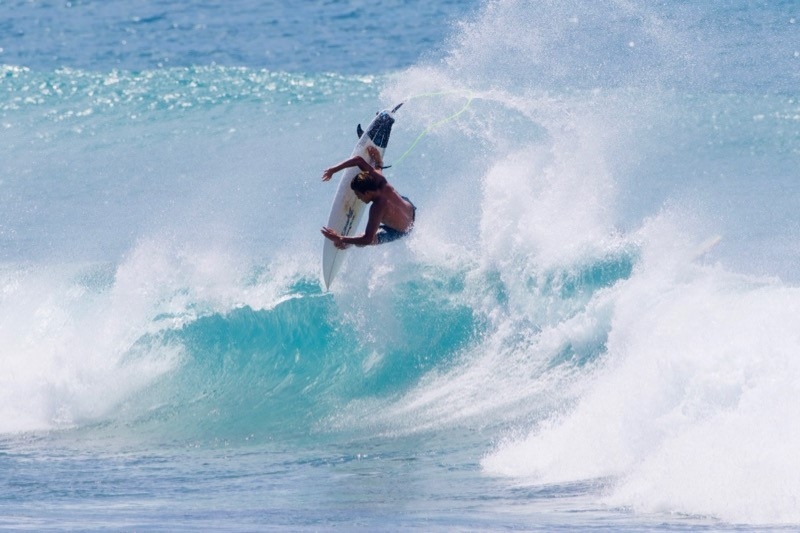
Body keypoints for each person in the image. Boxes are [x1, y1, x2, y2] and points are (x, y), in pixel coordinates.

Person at [321, 146, 416, 249]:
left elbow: (367, 239)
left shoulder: (377, 208)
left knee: (362, 239)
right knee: (378, 173)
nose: (358, 198)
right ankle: (379, 163)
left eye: (358, 195)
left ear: (367, 193)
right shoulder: (381, 180)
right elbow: (358, 160)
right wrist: (333, 170)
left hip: (400, 230)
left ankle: (347, 244)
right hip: (409, 209)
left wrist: (340, 238)